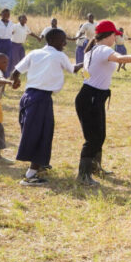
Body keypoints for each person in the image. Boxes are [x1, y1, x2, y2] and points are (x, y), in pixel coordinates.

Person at [74, 21, 131, 186]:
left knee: (99, 135)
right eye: (114, 35)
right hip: (91, 97)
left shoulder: (92, 50)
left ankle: (94, 168)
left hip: (93, 96)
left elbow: (86, 74)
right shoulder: (103, 49)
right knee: (93, 138)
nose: (115, 38)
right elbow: (120, 58)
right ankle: (83, 175)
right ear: (108, 35)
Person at [11, 28, 82, 186]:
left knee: (30, 132)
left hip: (27, 97)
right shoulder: (59, 55)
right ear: (52, 41)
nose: (65, 43)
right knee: (41, 134)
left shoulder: (35, 53)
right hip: (41, 99)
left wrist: (15, 82)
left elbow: (15, 71)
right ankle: (30, 175)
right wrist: (87, 62)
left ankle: (39, 165)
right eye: (62, 40)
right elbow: (73, 69)